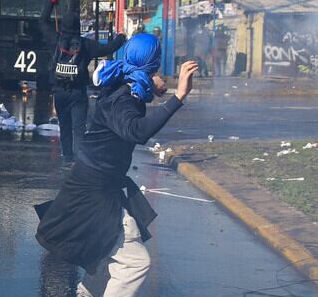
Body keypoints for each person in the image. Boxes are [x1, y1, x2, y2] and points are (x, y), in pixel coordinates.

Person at [35, 34, 198, 297]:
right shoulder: (124, 97)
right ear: (150, 66)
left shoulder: (124, 87)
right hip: (93, 191)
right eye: (156, 67)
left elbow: (134, 108)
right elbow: (136, 130)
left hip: (98, 185)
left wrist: (153, 89)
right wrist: (178, 96)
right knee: (135, 262)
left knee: (105, 253)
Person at [42, 0, 126, 163]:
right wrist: (121, 38)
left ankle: (67, 158)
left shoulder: (55, 41)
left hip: (59, 92)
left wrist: (51, 1)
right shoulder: (86, 45)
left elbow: (42, 21)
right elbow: (109, 48)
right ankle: (79, 161)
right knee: (79, 127)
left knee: (64, 126)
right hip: (78, 93)